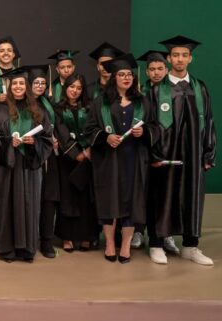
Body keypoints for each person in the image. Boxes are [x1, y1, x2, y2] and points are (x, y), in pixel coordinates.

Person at [147, 36, 216, 266]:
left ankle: (190, 246)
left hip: (194, 154)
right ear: (169, 58)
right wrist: (154, 154)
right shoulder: (158, 90)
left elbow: (209, 120)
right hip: (165, 154)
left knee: (192, 197)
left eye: (184, 55)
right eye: (175, 55)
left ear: (190, 59)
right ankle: (156, 244)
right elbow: (149, 124)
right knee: (162, 196)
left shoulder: (199, 87)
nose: (179, 59)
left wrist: (208, 153)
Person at [84, 54, 153, 264]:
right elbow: (89, 129)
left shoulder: (142, 102)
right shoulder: (101, 102)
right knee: (109, 200)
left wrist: (145, 132)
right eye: (121, 74)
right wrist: (105, 137)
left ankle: (125, 246)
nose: (126, 78)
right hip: (108, 160)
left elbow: (156, 127)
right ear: (114, 77)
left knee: (131, 202)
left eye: (129, 74)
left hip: (134, 159)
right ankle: (109, 244)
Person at [0, 67, 53, 262]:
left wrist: (34, 142)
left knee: (29, 204)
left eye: (21, 84)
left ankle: (27, 249)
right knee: (6, 204)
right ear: (9, 86)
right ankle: (6, 249)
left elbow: (47, 138)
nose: (18, 87)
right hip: (7, 165)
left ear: (27, 87)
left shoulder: (38, 110)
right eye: (14, 83)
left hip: (29, 165)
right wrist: (9, 142)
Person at [132, 49, 177, 252]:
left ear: (166, 70)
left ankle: (165, 234)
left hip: (168, 150)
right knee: (142, 192)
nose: (156, 73)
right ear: (146, 72)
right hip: (143, 150)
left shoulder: (175, 93)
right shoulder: (140, 93)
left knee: (166, 194)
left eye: (160, 68)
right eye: (152, 69)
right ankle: (138, 230)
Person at [52, 73, 98, 252]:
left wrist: (89, 150)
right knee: (67, 199)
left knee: (86, 200)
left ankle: (86, 236)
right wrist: (75, 153)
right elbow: (60, 132)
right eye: (72, 87)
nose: (75, 91)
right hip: (67, 159)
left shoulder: (90, 106)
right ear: (66, 88)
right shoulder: (57, 108)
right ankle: (67, 237)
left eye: (79, 88)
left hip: (88, 158)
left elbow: (95, 128)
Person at [27, 64, 60, 259]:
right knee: (32, 199)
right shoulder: (24, 104)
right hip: (32, 156)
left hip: (50, 157)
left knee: (49, 199)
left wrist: (55, 139)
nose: (39, 86)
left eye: (42, 83)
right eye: (36, 83)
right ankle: (30, 238)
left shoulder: (48, 104)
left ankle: (47, 240)